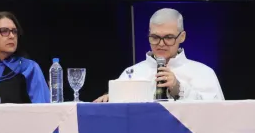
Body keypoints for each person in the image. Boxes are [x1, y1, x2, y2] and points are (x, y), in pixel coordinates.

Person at [95, 8, 224, 102]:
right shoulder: (132, 73)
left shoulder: (203, 72)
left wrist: (178, 89)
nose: (161, 44)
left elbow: (216, 114)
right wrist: (109, 101)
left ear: (182, 37)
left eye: (168, 37)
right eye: (155, 37)